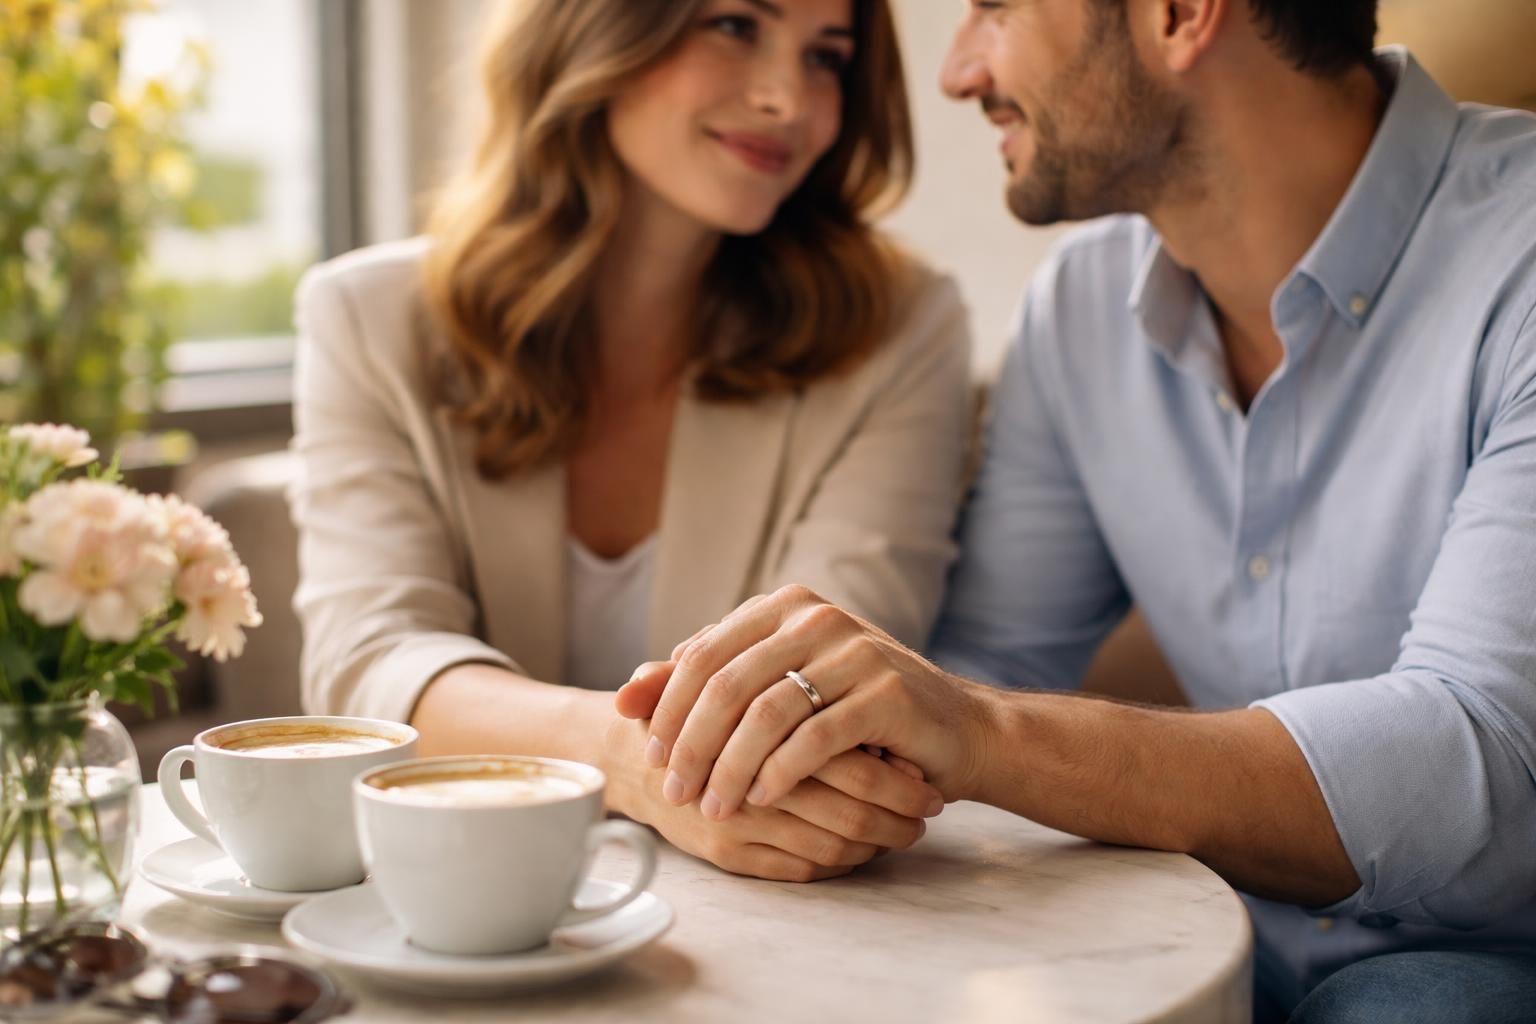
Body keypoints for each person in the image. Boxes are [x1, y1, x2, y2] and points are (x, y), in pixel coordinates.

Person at [615, 1, 1536, 1019]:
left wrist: (981, 731)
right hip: (1206, 928)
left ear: (1181, 15)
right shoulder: (1081, 312)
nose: (958, 73)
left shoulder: (1520, 258)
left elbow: (1491, 762)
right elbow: (988, 667)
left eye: (995, 11)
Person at [287, 0, 966, 885]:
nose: (788, 100)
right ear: (591, 28)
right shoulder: (368, 319)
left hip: (780, 917)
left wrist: (658, 770)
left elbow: (833, 679)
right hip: (457, 894)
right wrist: (629, 765)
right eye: (734, 25)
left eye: (827, 57)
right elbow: (368, 664)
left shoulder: (899, 329)